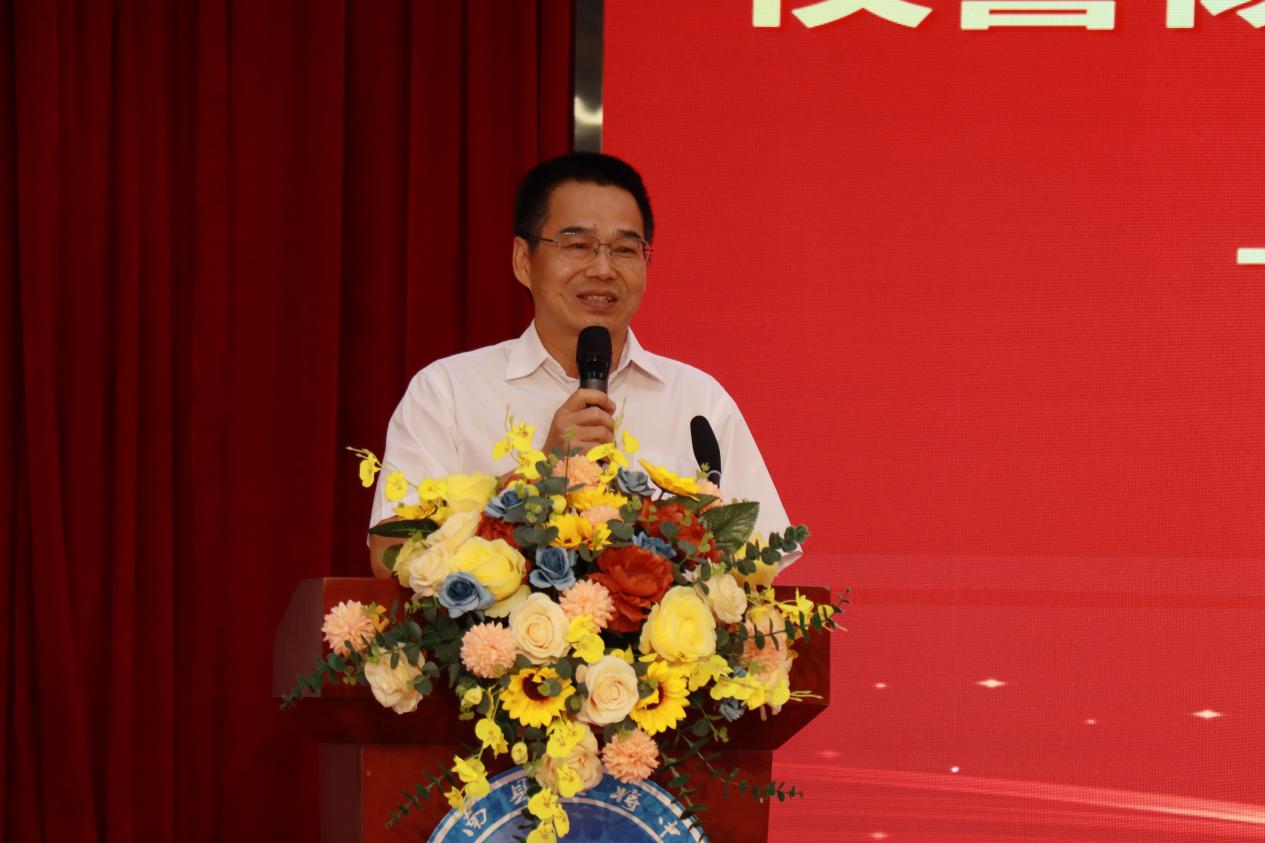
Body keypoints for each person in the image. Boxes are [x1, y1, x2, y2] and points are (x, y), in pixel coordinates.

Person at [369, 152, 790, 576]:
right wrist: (542, 474)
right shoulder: (448, 392)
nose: (603, 269)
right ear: (523, 260)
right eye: (578, 246)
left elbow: (763, 565)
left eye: (625, 249)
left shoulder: (699, 400)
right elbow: (392, 558)